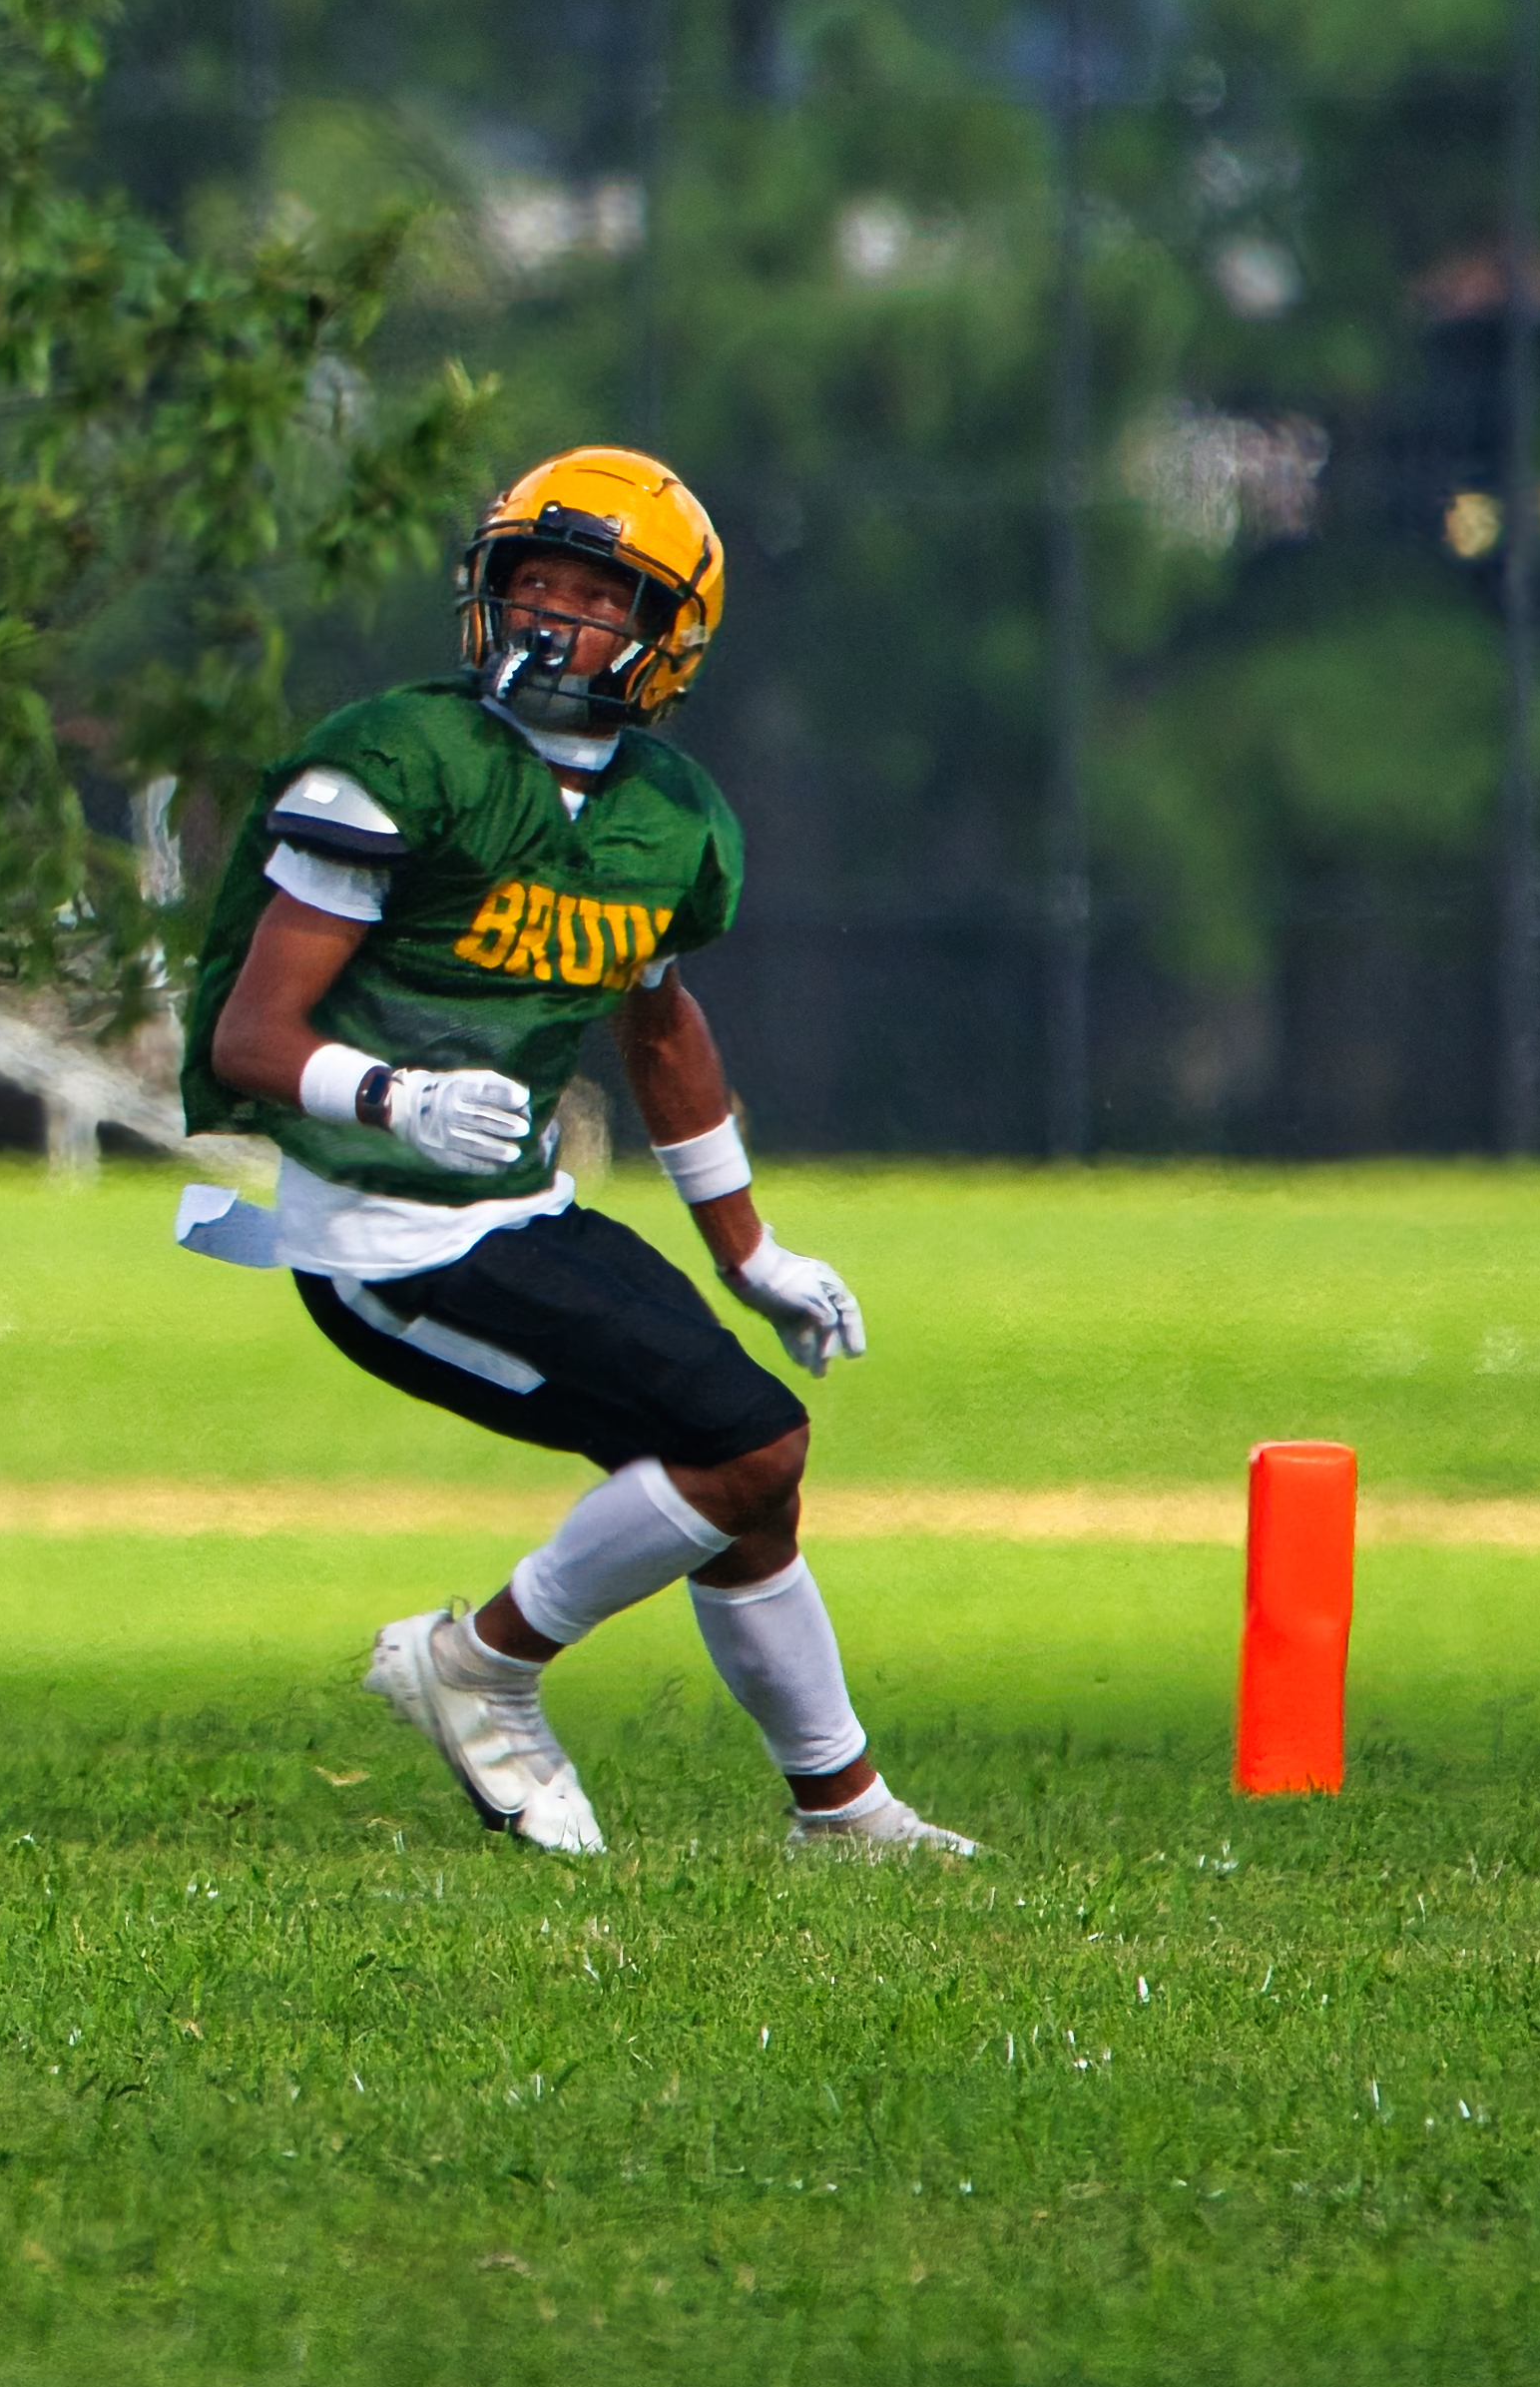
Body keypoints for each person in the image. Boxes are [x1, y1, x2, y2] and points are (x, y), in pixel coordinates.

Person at [179, 443, 974, 1861]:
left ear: (666, 635)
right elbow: (254, 1032)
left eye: (593, 593)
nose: (550, 614)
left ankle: (840, 1811)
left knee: (747, 1478)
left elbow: (657, 1032)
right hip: (379, 1235)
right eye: (527, 580)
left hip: (515, 1215)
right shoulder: (396, 762)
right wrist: (393, 1098)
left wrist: (752, 1251)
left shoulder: (665, 817)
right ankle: (478, 1657)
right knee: (747, 1443)